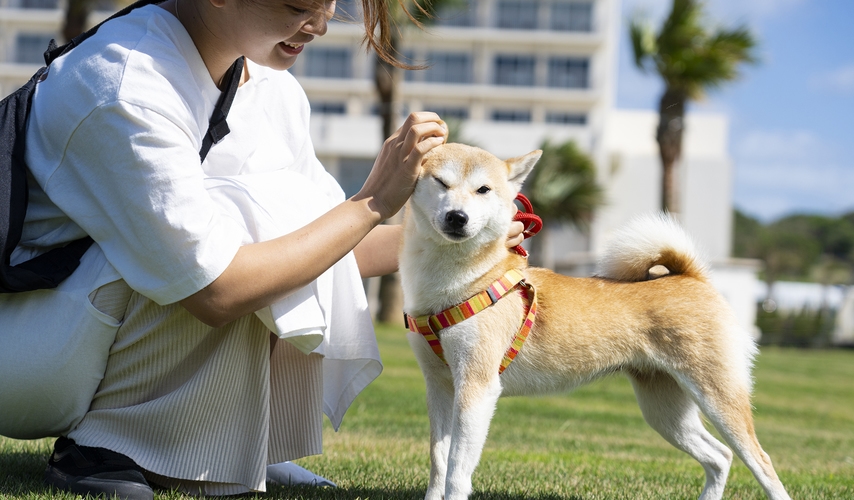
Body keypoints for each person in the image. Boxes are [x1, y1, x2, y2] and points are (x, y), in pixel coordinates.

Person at [0, 0, 526, 497]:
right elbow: (216, 288)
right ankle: (108, 445)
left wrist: (467, 235)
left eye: (328, 5)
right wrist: (371, 202)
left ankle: (225, 441)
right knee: (233, 224)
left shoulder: (268, 84)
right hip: (26, 348)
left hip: (72, 322)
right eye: (297, 7)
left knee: (281, 225)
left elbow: (324, 248)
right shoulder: (126, 85)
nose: (320, 25)